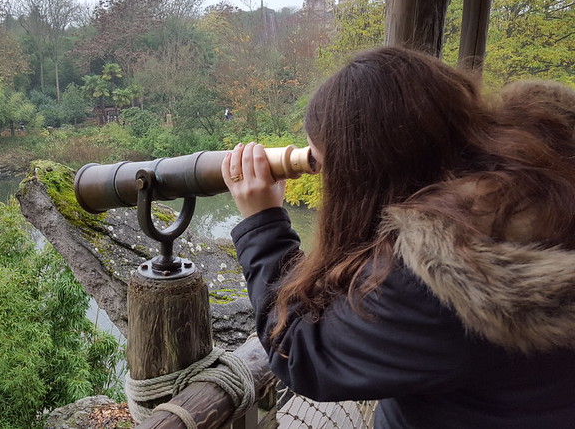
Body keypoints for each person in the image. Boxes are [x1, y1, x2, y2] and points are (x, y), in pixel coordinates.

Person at [220, 46, 575, 428]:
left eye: (327, 165)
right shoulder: (546, 170)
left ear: (366, 175)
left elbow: (302, 353)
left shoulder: (438, 275)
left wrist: (263, 223)